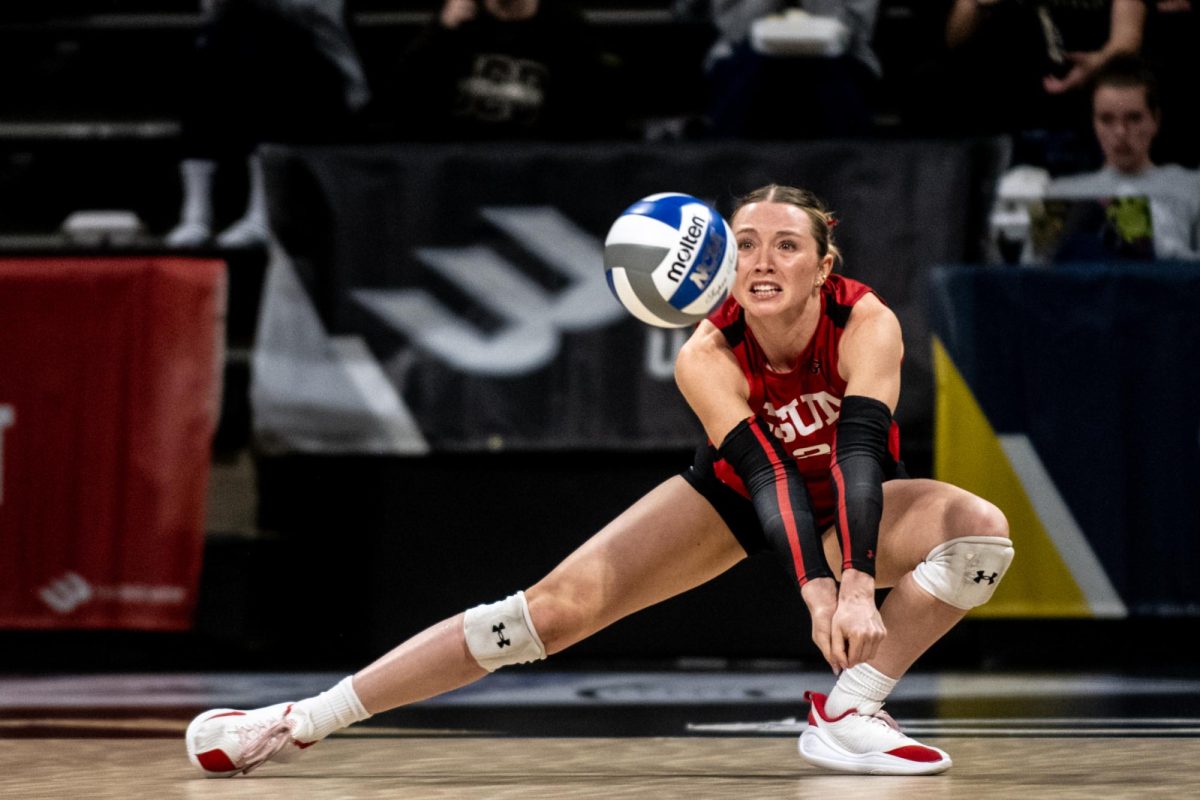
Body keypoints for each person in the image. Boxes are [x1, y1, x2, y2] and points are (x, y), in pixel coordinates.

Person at [185, 184, 1013, 777]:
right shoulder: (706, 351)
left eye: (786, 244)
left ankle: (849, 710)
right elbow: (764, 477)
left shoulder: (866, 321)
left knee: (978, 535)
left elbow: (862, 451)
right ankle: (298, 722)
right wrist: (816, 591)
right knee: (542, 614)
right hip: (733, 495)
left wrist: (858, 581)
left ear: (824, 264)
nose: (764, 259)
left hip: (850, 496)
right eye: (747, 242)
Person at [165, 0, 370, 248]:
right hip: (246, 60)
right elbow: (212, 8)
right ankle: (197, 214)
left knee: (268, 43)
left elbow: (308, 10)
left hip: (323, 75)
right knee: (212, 46)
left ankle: (264, 213)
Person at [379, 0, 622, 141]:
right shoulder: (459, 19)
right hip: (457, 164)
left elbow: (594, 109)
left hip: (531, 167)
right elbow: (400, 99)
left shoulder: (562, 26)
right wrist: (441, 31)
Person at [1046, 55, 1200, 259]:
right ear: (1094, 123)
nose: (1120, 132)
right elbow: (1036, 274)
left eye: (1134, 118)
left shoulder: (1191, 187)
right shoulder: (1062, 193)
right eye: (1107, 119)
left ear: (1155, 120)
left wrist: (1163, 250)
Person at [698, 1, 883, 139]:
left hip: (840, 56)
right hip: (743, 54)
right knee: (746, 81)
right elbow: (733, 28)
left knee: (834, 86)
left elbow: (855, 29)